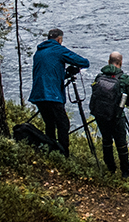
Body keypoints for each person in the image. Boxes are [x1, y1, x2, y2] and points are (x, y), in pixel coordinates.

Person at [28, 28, 89, 156]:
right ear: (59, 39)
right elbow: (84, 62)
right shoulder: (59, 50)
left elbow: (49, 72)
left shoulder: (38, 53)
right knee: (63, 124)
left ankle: (51, 150)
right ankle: (64, 154)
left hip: (38, 94)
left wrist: (64, 75)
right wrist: (73, 70)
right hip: (52, 94)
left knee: (50, 123)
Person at [90, 51, 129, 177]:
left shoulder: (99, 77)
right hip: (117, 116)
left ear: (108, 62)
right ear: (121, 63)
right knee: (121, 143)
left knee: (106, 141)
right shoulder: (124, 79)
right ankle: (125, 171)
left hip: (101, 115)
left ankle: (110, 168)